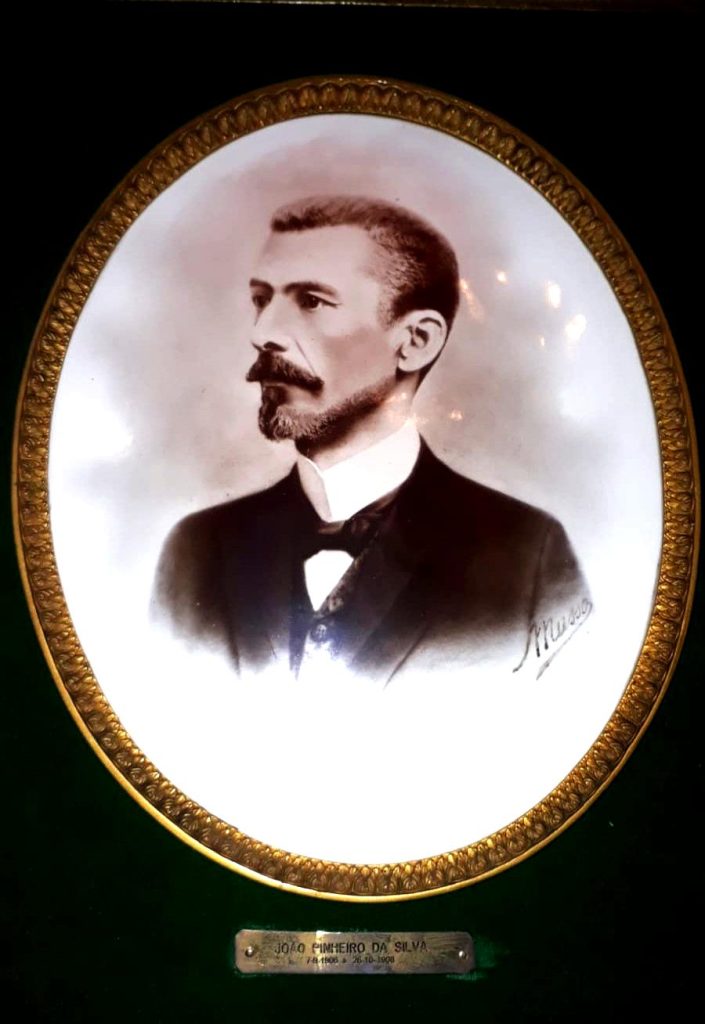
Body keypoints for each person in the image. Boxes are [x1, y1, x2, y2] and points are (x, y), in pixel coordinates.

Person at [153, 195, 591, 685]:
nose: (263, 333)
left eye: (311, 301)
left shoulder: (528, 556)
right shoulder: (198, 548)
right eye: (261, 300)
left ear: (416, 341)